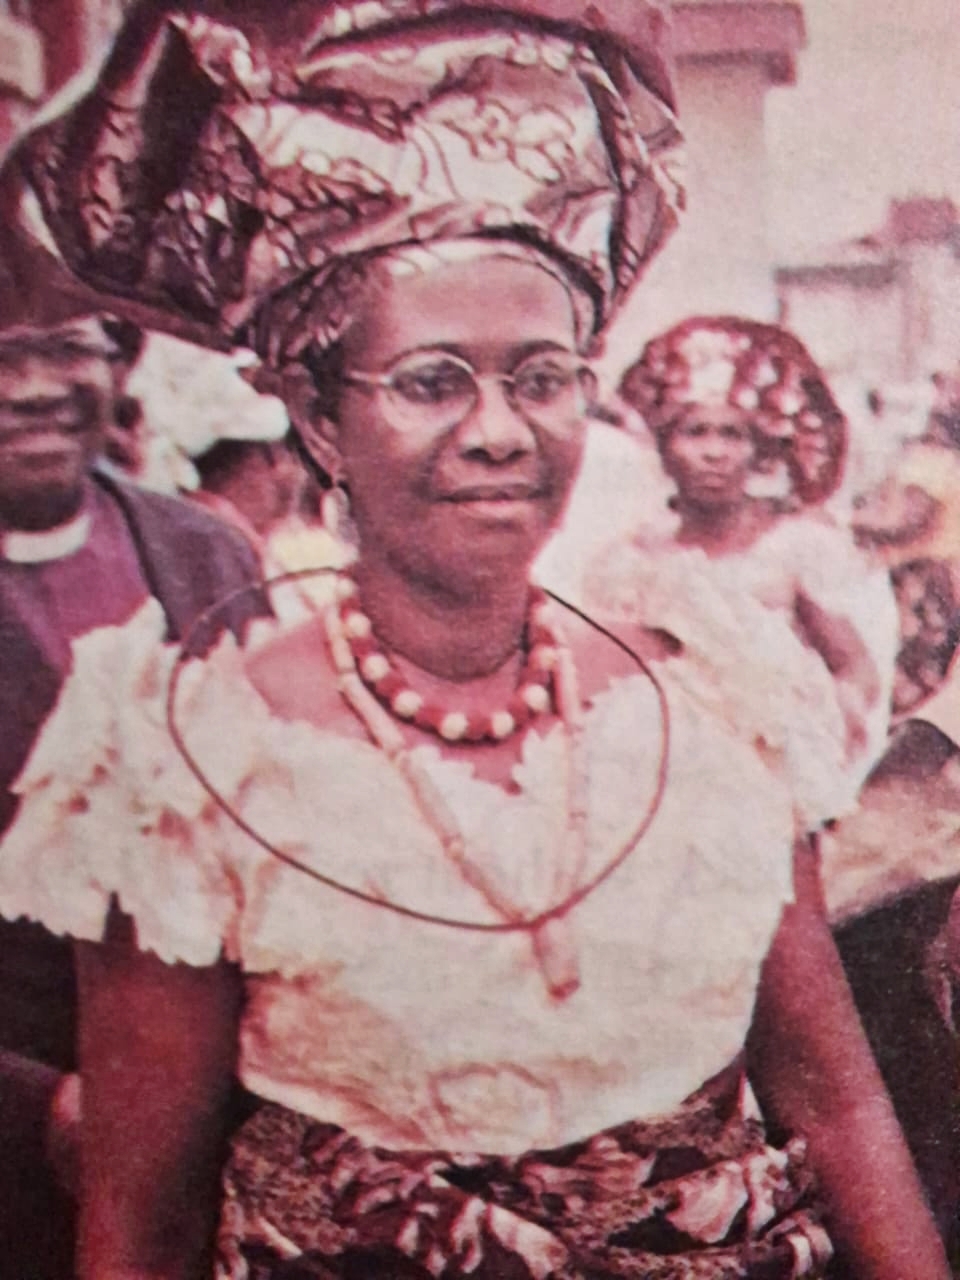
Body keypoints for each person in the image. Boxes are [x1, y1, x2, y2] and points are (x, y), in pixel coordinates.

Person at [0, 3, 948, 1278]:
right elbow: (140, 1215)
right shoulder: (189, 762)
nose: (500, 431)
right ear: (319, 421)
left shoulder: (718, 698)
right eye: (433, 380)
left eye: (541, 377)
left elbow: (839, 1104)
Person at [0, 313, 268, 1278]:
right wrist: (42, 1108)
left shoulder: (206, 552)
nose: (35, 386)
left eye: (67, 346)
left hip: (217, 1136)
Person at [591, 316, 898, 821]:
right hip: (660, 789)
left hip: (771, 787)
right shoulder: (634, 558)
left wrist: (822, 736)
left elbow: (855, 669)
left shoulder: (794, 548)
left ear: (758, 446)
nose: (713, 452)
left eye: (731, 434)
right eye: (695, 432)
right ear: (665, 444)